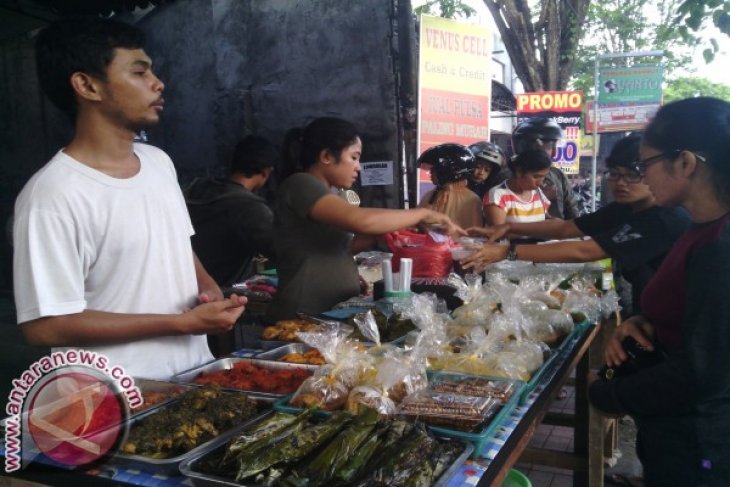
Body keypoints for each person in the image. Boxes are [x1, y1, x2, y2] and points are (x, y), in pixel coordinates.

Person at [12, 18, 246, 379]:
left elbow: (178, 245)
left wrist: (207, 286)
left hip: (193, 377)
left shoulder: (158, 163)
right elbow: (45, 325)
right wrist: (179, 324)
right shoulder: (52, 195)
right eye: (139, 73)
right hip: (111, 402)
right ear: (87, 86)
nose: (158, 83)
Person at [589, 97, 730, 486]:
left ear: (685, 163)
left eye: (644, 165)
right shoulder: (699, 227)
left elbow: (703, 371)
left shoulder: (720, 245)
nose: (642, 176)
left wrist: (609, 394)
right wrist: (642, 319)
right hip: (675, 432)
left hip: (701, 444)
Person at [462, 134, 691, 315]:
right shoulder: (626, 207)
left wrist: (507, 252)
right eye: (614, 174)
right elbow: (566, 228)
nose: (620, 183)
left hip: (678, 319)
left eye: (632, 175)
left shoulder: (662, 218)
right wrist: (511, 228)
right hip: (650, 310)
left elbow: (585, 250)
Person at [267, 117, 463, 322]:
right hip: (303, 313)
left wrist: (380, 235)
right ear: (326, 156)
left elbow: (341, 247)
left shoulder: (331, 195)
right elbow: (360, 220)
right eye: (354, 157)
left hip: (330, 310)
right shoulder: (301, 184)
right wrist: (422, 213)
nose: (358, 167)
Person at [185, 135, 278, 286]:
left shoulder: (197, 188)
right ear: (266, 172)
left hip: (189, 283)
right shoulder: (249, 207)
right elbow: (283, 251)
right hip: (222, 291)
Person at [513, 117, 581, 219]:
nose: (554, 153)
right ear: (532, 147)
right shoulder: (506, 178)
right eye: (549, 147)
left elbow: (572, 213)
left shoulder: (557, 175)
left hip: (559, 233)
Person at [417, 143, 483, 229]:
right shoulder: (432, 195)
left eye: (434, 170)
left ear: (447, 172)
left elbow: (472, 234)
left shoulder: (471, 200)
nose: (430, 173)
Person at [483, 149, 552, 226]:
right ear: (519, 172)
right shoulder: (497, 196)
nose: (541, 183)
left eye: (543, 177)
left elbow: (545, 218)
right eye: (536, 177)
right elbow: (498, 232)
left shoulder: (537, 192)